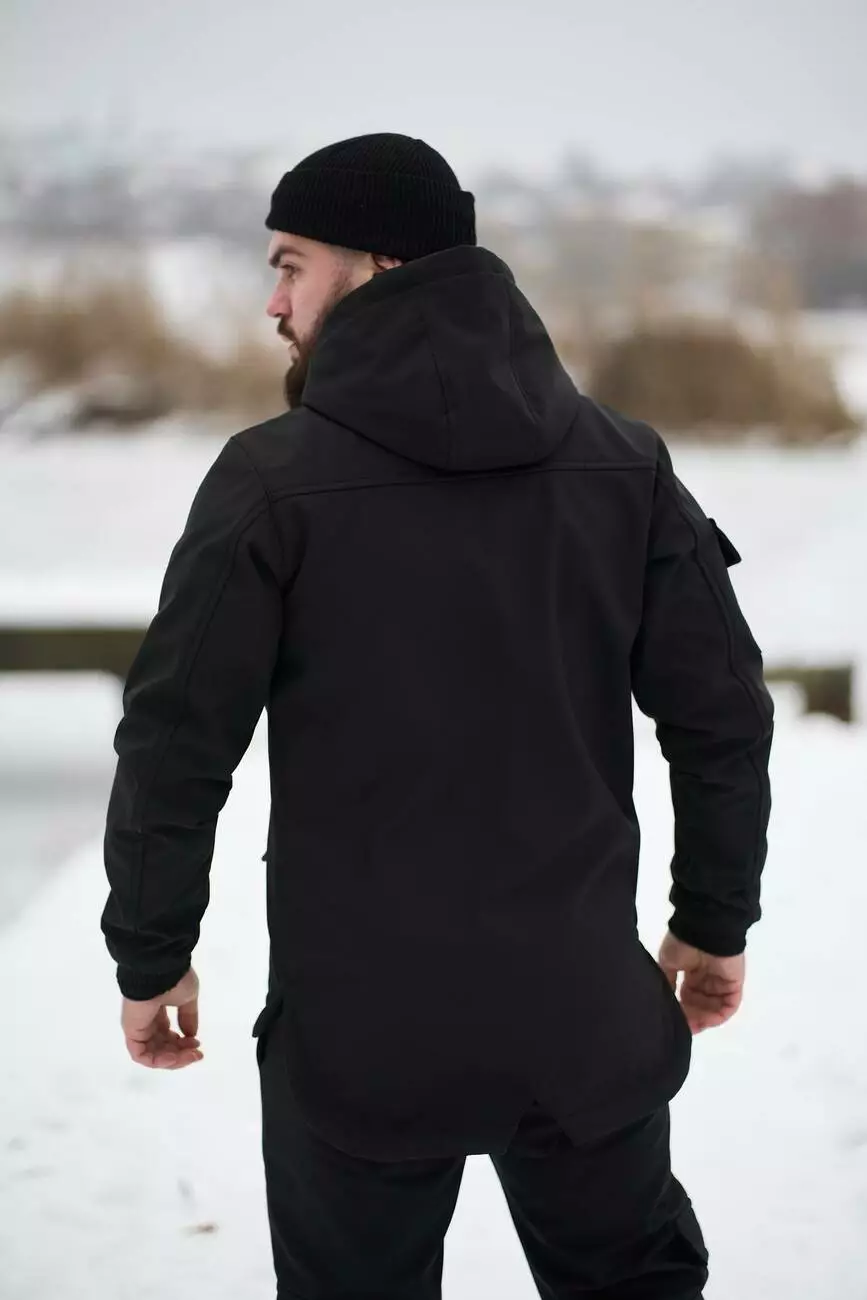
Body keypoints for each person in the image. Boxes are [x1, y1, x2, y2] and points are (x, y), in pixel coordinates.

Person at [101, 132, 773, 1299]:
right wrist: (713, 921)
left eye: (291, 264)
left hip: (359, 1042)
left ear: (379, 265)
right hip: (581, 1026)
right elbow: (723, 715)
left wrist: (153, 952)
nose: (273, 302)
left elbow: (174, 744)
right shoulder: (626, 464)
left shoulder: (271, 479)